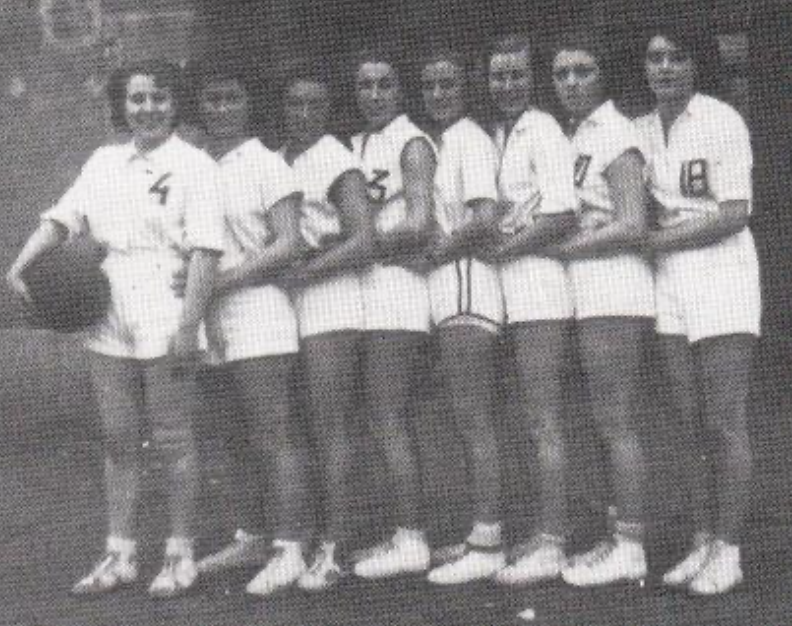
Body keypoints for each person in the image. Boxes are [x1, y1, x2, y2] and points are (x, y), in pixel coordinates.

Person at [6, 60, 224, 598]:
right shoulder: (104, 160)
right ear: (121, 105)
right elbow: (62, 218)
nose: (147, 109)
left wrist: (189, 325)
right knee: (118, 436)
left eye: (159, 98)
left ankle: (180, 553)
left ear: (176, 105)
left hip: (166, 305)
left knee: (173, 437)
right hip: (108, 304)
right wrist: (18, 266)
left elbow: (205, 253)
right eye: (137, 99)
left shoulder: (195, 165)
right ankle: (119, 553)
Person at [636, 25, 759, 595]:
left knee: (723, 421)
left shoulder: (721, 119)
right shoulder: (639, 129)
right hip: (671, 283)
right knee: (688, 423)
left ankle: (729, 551)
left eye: (676, 57)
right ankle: (701, 542)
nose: (664, 68)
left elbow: (734, 212)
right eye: (655, 58)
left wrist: (662, 240)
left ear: (696, 64)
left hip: (723, 275)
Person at [186, 61, 313, 597]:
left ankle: (291, 547)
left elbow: (289, 243)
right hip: (209, 321)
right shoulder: (191, 166)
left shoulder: (266, 162)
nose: (220, 109)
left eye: (231, 98)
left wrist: (224, 282)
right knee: (232, 437)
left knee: (273, 433)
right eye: (211, 100)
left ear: (248, 103)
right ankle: (253, 536)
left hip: (259, 312)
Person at [542, 31, 654, 588]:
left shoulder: (615, 132)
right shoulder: (574, 133)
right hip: (588, 290)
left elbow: (633, 223)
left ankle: (632, 546)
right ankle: (615, 535)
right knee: (602, 422)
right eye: (562, 73)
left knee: (617, 421)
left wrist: (563, 249)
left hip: (616, 289)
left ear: (604, 74)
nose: (570, 82)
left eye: (582, 71)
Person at [483, 35, 579, 586]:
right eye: (499, 76)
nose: (507, 85)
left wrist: (504, 248)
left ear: (532, 78)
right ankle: (544, 532)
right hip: (512, 289)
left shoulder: (541, 128)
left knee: (545, 418)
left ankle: (554, 542)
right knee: (530, 416)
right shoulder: (504, 132)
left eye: (517, 75)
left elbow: (561, 214)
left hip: (539, 286)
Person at [413, 47, 507, 585]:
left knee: (475, 417)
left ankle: (489, 542)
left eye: (447, 85)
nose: (438, 95)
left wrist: (436, 254)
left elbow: (485, 217)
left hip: (469, 283)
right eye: (429, 86)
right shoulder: (446, 140)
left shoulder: (469, 138)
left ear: (466, 87)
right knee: (467, 416)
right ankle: (479, 534)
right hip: (451, 286)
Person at [278, 65, 374, 590]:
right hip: (290, 304)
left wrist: (309, 270)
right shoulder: (276, 160)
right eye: (295, 104)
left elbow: (364, 239)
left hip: (332, 300)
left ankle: (336, 545)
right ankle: (300, 538)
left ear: (330, 110)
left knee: (331, 423)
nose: (304, 114)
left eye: (316, 105)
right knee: (298, 425)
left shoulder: (337, 158)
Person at [348, 47, 437, 580]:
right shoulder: (358, 143)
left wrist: (354, 242)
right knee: (378, 417)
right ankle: (398, 531)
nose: (374, 95)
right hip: (368, 289)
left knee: (389, 415)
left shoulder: (412, 142)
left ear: (401, 91)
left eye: (384, 85)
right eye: (365, 85)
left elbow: (421, 221)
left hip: (400, 292)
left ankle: (412, 538)